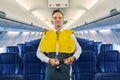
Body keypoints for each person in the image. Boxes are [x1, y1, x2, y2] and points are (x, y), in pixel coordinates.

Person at [36, 9, 82, 80]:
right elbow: (38, 53)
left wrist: (73, 58)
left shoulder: (70, 34)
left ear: (63, 20)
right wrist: (48, 60)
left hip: (65, 69)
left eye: (60, 18)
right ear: (52, 21)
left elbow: (79, 49)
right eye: (55, 18)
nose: (57, 19)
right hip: (50, 70)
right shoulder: (46, 35)